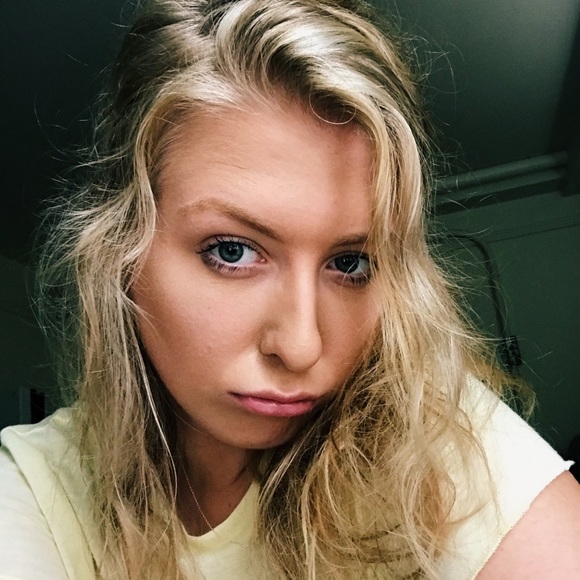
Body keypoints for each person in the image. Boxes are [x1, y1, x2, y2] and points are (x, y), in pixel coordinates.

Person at [1, 0, 579, 578]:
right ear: (119, 246)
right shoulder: (36, 484)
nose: (302, 346)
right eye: (232, 251)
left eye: (350, 263)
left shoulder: (429, 441)